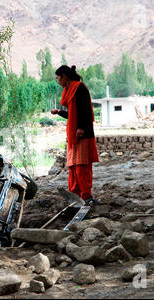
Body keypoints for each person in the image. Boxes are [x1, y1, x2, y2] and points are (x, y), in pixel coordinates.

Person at [51, 65, 99, 205]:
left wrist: (82, 128)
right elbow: (73, 115)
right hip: (74, 135)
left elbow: (86, 111)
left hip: (82, 134)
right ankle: (75, 195)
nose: (58, 81)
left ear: (65, 77)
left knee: (82, 166)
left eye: (58, 78)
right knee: (73, 167)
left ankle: (86, 196)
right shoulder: (69, 90)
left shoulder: (79, 88)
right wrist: (60, 112)